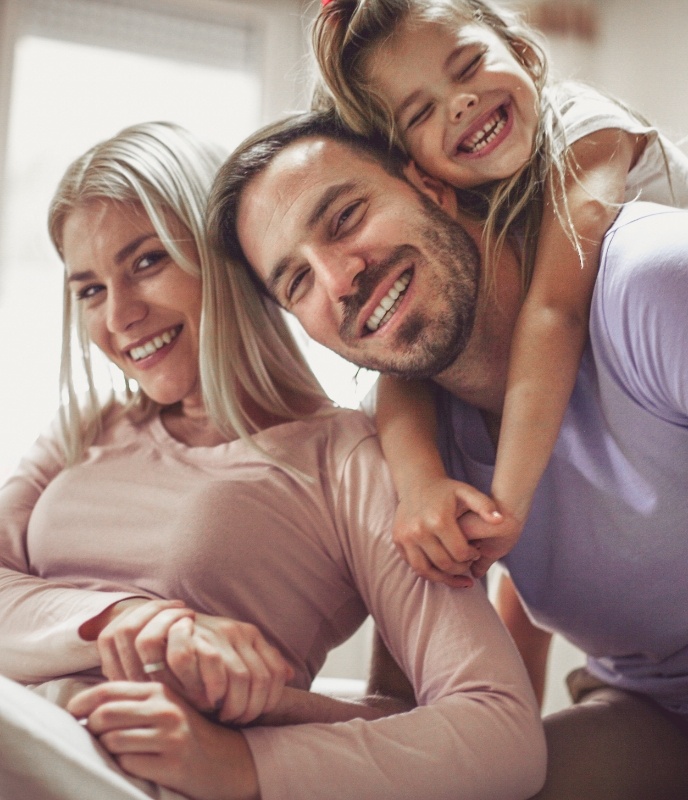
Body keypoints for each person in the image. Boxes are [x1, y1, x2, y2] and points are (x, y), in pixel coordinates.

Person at [0, 121, 546, 800]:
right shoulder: (84, 430)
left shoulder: (346, 457)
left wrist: (243, 763)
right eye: (89, 290)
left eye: (147, 262)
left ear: (228, 262)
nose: (120, 317)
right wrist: (138, 621)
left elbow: (502, 733)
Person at [208, 107, 688, 798]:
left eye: (344, 218)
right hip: (653, 708)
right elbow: (411, 706)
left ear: (429, 187)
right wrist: (244, 727)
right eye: (297, 282)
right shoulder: (410, 449)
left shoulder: (649, 286)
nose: (340, 281)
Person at [309, 0, 688, 588]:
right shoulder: (477, 203)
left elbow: (554, 311)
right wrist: (420, 485)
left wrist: (506, 507)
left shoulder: (582, 126)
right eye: (421, 111)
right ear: (420, 172)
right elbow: (408, 375)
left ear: (525, 52)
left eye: (467, 65)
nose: (459, 102)